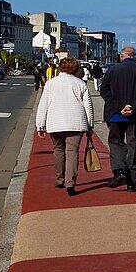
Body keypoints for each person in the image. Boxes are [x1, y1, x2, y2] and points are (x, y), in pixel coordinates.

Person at [35, 57, 94, 196]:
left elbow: (43, 105)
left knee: (58, 150)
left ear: (60, 67)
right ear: (75, 69)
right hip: (76, 122)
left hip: (55, 122)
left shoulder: (50, 84)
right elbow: (88, 107)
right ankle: (70, 183)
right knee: (72, 152)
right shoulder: (80, 84)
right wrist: (90, 125)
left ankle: (60, 179)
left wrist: (40, 125)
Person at [99, 46, 136, 191]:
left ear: (122, 57)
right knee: (134, 144)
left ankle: (119, 170)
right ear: (134, 57)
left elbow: (104, 90)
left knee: (115, 141)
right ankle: (132, 181)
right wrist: (133, 107)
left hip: (116, 114)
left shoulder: (112, 70)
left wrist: (120, 107)